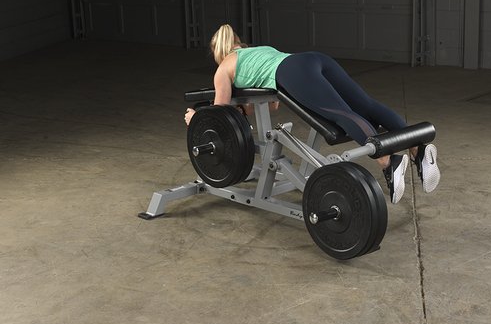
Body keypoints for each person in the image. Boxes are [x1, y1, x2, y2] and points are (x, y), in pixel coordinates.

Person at [184, 24, 440, 203]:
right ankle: (418, 148)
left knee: (340, 113)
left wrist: (195, 118)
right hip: (313, 60)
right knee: (367, 105)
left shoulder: (223, 70)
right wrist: (243, 109)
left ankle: (388, 162)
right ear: (238, 43)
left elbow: (218, 119)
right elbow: (271, 104)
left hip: (293, 72)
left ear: (218, 53)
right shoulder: (255, 52)